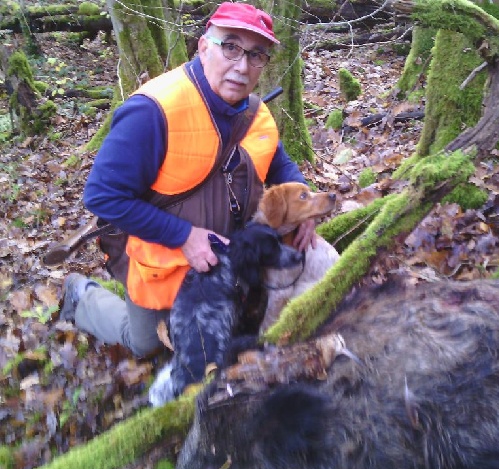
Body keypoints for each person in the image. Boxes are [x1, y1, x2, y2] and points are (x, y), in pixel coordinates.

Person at [60, 2, 317, 358]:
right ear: (202, 46)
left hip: (228, 261)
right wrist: (183, 237)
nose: (242, 67)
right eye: (230, 47)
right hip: (163, 265)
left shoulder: (256, 114)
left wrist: (307, 205)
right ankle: (82, 296)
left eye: (256, 55)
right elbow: (103, 197)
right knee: (147, 345)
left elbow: (281, 167)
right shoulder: (153, 110)